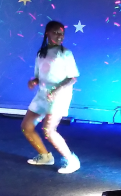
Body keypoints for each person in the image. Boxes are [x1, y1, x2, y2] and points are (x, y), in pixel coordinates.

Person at [22, 21, 81, 174]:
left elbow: (72, 78)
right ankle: (45, 156)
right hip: (42, 95)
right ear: (47, 33)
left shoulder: (65, 53)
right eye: (56, 32)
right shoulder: (41, 53)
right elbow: (38, 75)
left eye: (61, 33)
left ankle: (72, 160)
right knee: (27, 126)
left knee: (49, 130)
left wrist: (56, 91)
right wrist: (34, 81)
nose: (59, 36)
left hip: (59, 96)